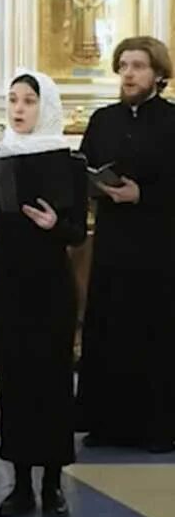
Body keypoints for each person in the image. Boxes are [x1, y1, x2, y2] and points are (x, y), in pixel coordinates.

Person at [0, 70, 84, 517]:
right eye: (13, 99)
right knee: (13, 383)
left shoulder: (67, 161)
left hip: (50, 283)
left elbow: (76, 234)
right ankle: (19, 484)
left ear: (45, 106)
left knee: (51, 382)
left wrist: (55, 226)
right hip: (8, 282)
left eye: (29, 100)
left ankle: (52, 484)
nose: (18, 108)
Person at [76, 36, 175, 453]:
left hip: (160, 244)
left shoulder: (172, 121)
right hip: (114, 242)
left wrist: (143, 196)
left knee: (156, 334)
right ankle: (108, 424)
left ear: (158, 74)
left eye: (138, 66)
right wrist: (95, 184)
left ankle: (159, 428)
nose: (130, 74)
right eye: (124, 66)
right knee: (112, 328)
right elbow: (82, 166)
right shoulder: (103, 120)